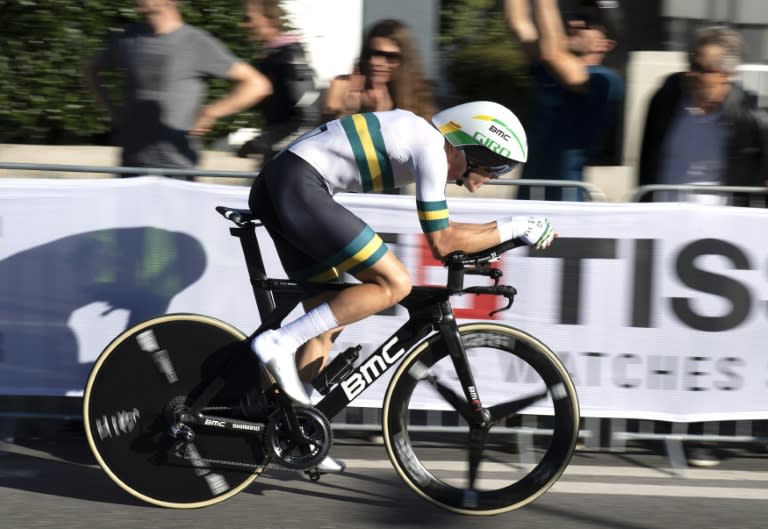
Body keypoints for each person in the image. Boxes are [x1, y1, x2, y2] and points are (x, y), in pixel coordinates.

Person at [248, 101, 556, 473]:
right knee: (394, 282)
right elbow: (442, 242)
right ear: (472, 148)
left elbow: (451, 234)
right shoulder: (430, 147)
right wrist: (513, 226)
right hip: (298, 185)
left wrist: (508, 229)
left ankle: (297, 428)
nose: (495, 176)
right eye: (496, 166)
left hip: (283, 184)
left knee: (329, 317)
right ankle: (279, 342)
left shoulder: (422, 138)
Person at [86, 0, 272, 172]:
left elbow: (257, 84)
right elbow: (91, 68)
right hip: (130, 165)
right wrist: (110, 109)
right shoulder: (127, 38)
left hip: (177, 168)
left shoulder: (196, 42)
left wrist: (211, 112)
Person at [506, 0, 624, 201]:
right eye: (574, 15)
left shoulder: (606, 80)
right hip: (528, 197)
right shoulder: (551, 71)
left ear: (605, 44)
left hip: (565, 204)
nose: (574, 23)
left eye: (587, 21)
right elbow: (518, 23)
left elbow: (553, 54)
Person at [638, 25, 768, 206]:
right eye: (690, 64)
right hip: (664, 221)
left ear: (727, 75)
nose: (691, 74)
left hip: (721, 227)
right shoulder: (665, 101)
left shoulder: (750, 117)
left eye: (700, 68)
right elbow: (645, 165)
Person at [236, 0, 321, 166]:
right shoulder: (273, 57)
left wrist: (262, 143)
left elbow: (308, 116)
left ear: (270, 20)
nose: (243, 25)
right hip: (279, 157)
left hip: (291, 161)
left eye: (248, 18)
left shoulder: (289, 57)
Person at [322, 18, 436, 121]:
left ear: (404, 60)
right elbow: (321, 140)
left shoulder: (417, 99)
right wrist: (343, 112)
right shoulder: (343, 88)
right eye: (370, 54)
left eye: (389, 56)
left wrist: (381, 117)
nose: (374, 62)